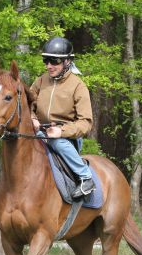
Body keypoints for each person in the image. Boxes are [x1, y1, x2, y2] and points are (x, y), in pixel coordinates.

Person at [30, 36, 95, 199]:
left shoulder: (78, 86)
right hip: (39, 132)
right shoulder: (40, 81)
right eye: (46, 60)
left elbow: (86, 123)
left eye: (54, 61)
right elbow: (28, 104)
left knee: (55, 141)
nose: (49, 66)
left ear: (67, 62)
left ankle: (86, 177)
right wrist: (32, 118)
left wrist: (61, 131)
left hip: (65, 138)